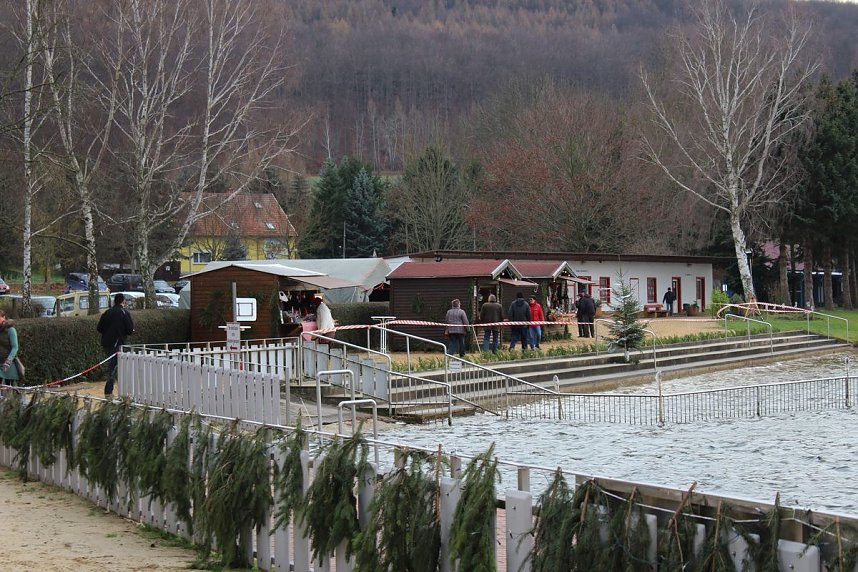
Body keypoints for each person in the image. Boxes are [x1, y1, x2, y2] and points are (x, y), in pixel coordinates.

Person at [97, 293, 135, 398]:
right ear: (123, 301)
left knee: (112, 366)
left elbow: (99, 328)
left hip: (107, 343)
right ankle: (110, 391)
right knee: (115, 368)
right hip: (118, 344)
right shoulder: (124, 313)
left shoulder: (107, 312)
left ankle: (112, 389)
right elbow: (130, 329)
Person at [0, 309, 21, 385]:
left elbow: (15, 347)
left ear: (3, 317)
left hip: (9, 363)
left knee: (10, 386)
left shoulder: (11, 330)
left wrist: (8, 361)